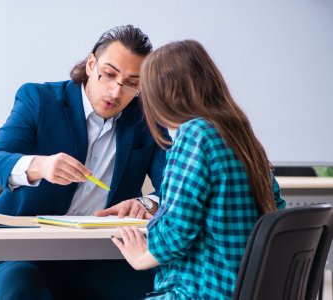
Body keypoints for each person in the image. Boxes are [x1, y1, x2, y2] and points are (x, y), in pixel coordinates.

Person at [0, 25, 170, 300]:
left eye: (131, 83)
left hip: (103, 256)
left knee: (164, 289)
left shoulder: (146, 118)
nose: (116, 91)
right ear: (91, 64)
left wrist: (146, 203)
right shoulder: (40, 99)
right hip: (24, 251)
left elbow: (176, 185)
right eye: (108, 75)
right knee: (24, 291)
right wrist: (40, 166)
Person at [111, 40, 287, 299]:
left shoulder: (195, 133)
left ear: (164, 92)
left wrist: (142, 258)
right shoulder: (240, 132)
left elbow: (179, 229)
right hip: (246, 288)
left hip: (202, 290)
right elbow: (276, 208)